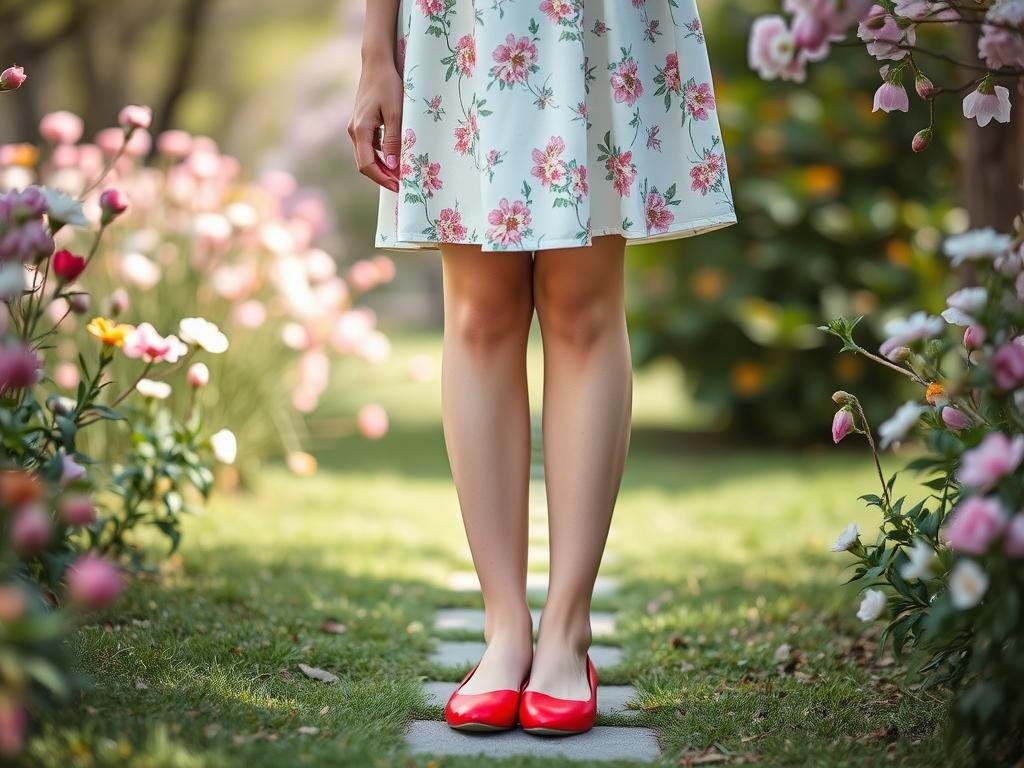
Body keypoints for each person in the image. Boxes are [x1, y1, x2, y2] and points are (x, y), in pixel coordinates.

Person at [350, 0, 735, 736]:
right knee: (478, 314)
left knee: (582, 312)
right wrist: (376, 56)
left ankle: (566, 631)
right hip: (462, 17)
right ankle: (504, 630)